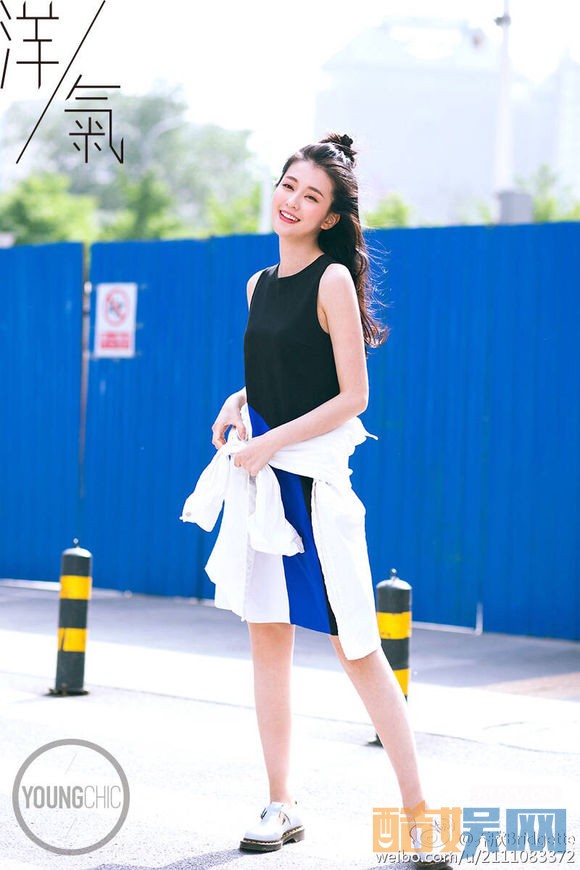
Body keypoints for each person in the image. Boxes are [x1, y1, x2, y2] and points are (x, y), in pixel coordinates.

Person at [207, 133, 452, 866]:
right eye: (288, 185)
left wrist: (270, 444)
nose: (291, 201)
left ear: (330, 217)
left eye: (310, 196)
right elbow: (283, 370)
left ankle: (420, 815)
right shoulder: (257, 284)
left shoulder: (332, 280)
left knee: (358, 647)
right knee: (268, 640)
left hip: (311, 486)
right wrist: (238, 401)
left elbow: (353, 395)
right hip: (265, 481)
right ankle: (280, 802)